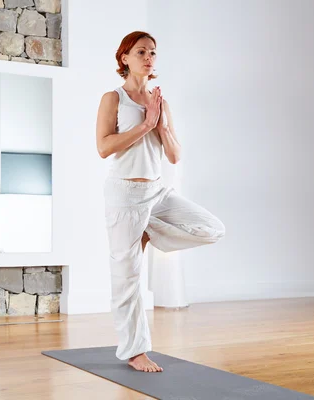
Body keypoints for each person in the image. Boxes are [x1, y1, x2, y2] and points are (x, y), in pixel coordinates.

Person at [96, 31, 226, 373]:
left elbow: (174, 155)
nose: (149, 57)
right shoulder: (113, 98)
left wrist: (161, 124)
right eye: (141, 52)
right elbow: (104, 147)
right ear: (125, 58)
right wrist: (146, 124)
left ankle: (151, 231)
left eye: (153, 52)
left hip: (156, 191)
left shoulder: (159, 100)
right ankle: (135, 352)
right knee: (127, 279)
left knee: (212, 229)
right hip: (124, 194)